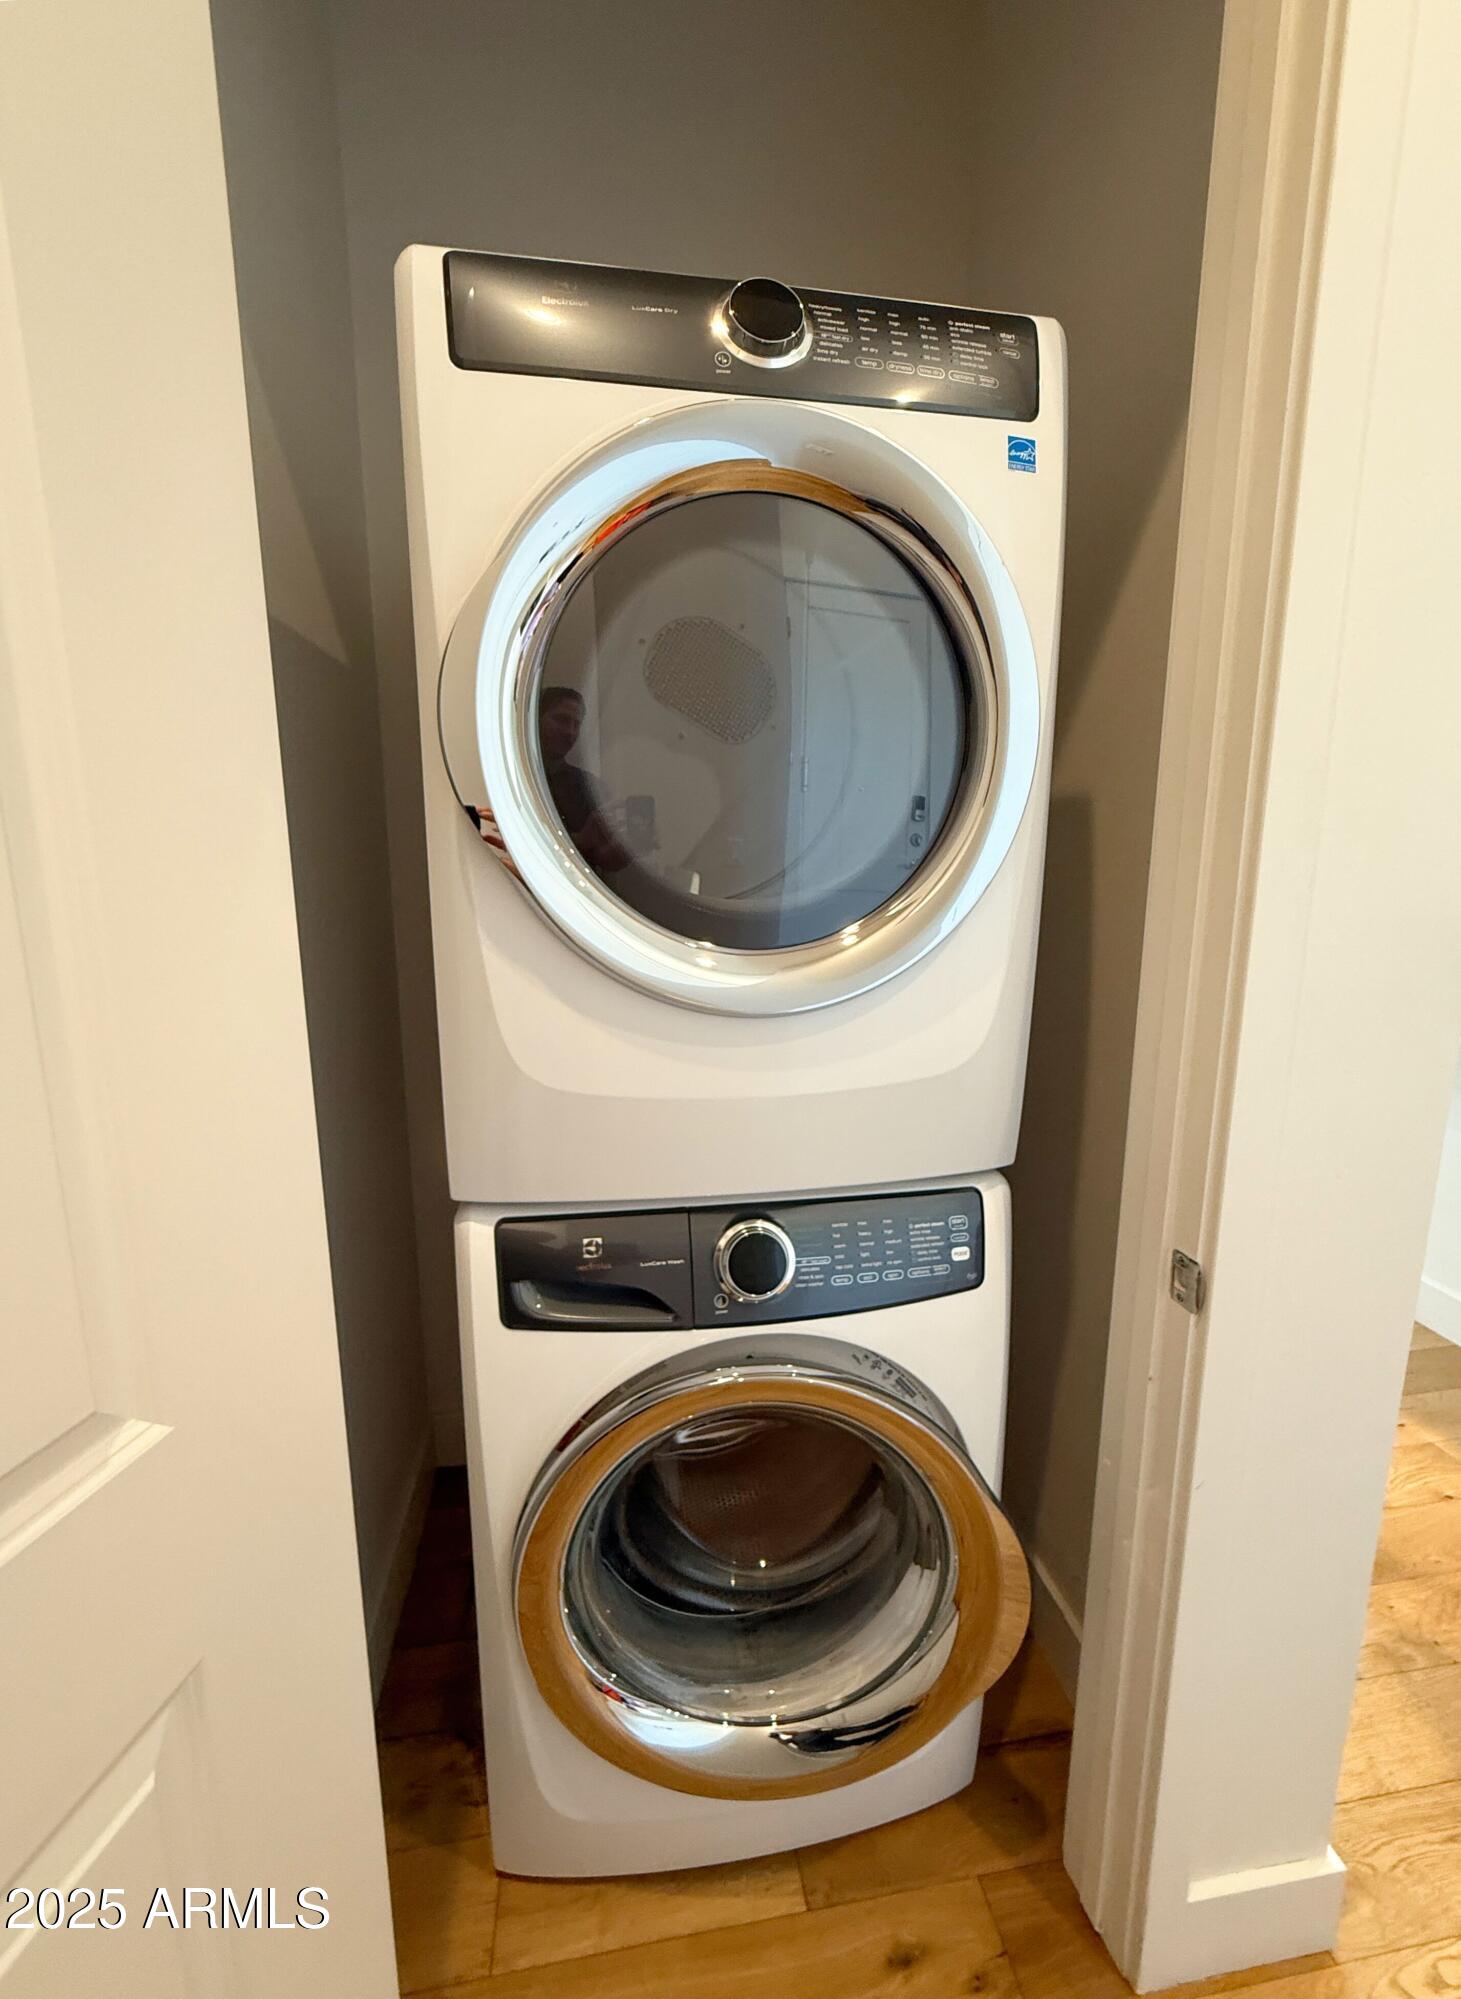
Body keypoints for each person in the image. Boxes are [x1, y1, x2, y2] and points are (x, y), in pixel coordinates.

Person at [537, 685, 632, 875]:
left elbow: (609, 863)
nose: (570, 732)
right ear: (536, 719)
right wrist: (580, 840)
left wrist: (631, 846)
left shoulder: (591, 787)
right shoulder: (518, 776)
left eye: (576, 725)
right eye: (562, 720)